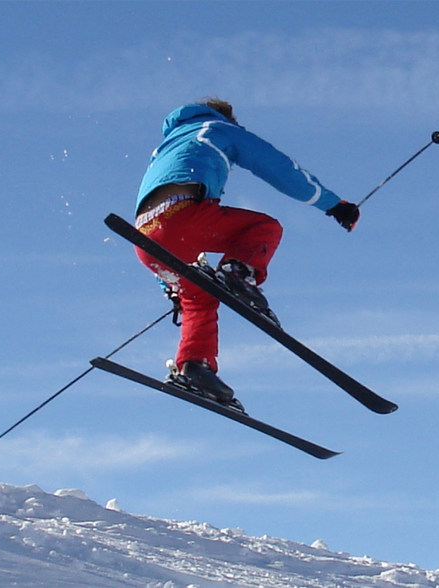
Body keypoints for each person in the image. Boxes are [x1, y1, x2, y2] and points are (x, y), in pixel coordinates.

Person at [134, 98, 359, 404]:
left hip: (145, 237)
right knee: (263, 229)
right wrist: (332, 204)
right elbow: (278, 166)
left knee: (198, 298)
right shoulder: (218, 127)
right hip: (184, 215)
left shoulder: (164, 149)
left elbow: (157, 216)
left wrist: (169, 286)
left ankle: (194, 367)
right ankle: (238, 272)